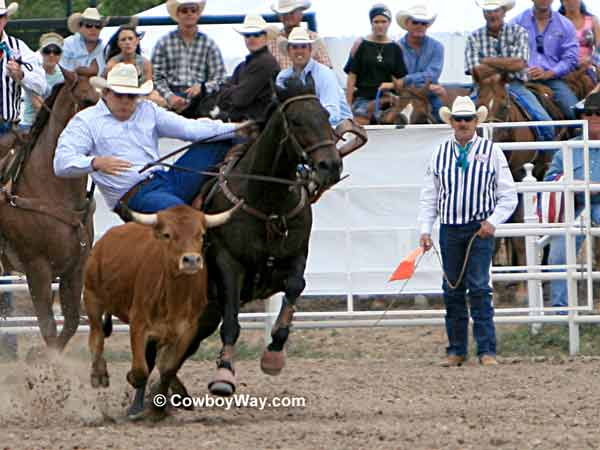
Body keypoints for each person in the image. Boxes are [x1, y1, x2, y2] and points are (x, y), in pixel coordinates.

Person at [53, 63, 250, 215]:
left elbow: (190, 128)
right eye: (119, 94)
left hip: (166, 180)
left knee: (224, 141)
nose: (125, 100)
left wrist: (237, 129)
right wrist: (95, 162)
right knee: (179, 215)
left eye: (131, 96)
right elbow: (62, 162)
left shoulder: (147, 110)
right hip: (133, 195)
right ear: (105, 93)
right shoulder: (86, 121)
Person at [418, 96, 517, 367]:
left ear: (476, 122)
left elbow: (508, 195)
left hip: (478, 228)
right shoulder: (439, 153)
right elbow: (430, 195)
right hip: (449, 228)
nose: (463, 124)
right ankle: (457, 350)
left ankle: (486, 350)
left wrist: (492, 221)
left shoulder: (492, 151)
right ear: (451, 122)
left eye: (467, 119)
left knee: (479, 288)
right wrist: (425, 229)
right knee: (452, 290)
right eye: (459, 119)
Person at [466, 0, 554, 141]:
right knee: (456, 122)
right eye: (488, 11)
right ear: (483, 13)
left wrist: (487, 60)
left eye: (496, 10)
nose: (492, 15)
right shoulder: (473, 37)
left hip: (514, 85)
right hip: (483, 87)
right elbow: (476, 70)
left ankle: (547, 160)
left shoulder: (518, 32)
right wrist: (508, 62)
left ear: (504, 11)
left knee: (546, 124)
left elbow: (520, 63)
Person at [546, 93, 600, 309]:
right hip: (576, 206)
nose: (594, 117)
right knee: (559, 252)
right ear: (582, 117)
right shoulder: (568, 147)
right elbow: (550, 177)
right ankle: (562, 311)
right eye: (589, 113)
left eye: (599, 113)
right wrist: (570, 182)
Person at [152, 0, 226, 114]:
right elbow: (156, 77)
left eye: (193, 10)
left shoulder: (209, 43)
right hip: (170, 100)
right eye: (184, 10)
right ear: (178, 14)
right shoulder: (163, 42)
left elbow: (220, 77)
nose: (189, 13)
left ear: (198, 14)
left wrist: (202, 88)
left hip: (201, 100)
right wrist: (170, 97)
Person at [512, 0, 580, 120]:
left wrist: (549, 73)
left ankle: (576, 136)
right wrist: (523, 69)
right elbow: (507, 51)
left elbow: (571, 58)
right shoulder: (516, 22)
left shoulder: (565, 25)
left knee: (574, 112)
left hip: (552, 80)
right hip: (521, 80)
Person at [344, 4, 407, 125]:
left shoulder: (396, 48)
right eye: (376, 21)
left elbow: (401, 80)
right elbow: (352, 76)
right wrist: (347, 105)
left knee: (398, 121)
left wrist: (390, 85)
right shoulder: (360, 44)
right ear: (371, 23)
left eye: (383, 21)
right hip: (363, 98)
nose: (380, 25)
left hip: (387, 98)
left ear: (389, 23)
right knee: (361, 121)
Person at [276, 27, 352, 128]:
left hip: (337, 129)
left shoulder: (325, 74)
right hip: (306, 130)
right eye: (295, 47)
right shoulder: (282, 77)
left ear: (310, 50)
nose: (299, 51)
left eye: (303, 47)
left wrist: (304, 121)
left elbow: (333, 113)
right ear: (289, 51)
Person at [216, 14, 280, 122]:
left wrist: (226, 91)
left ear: (265, 37)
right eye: (247, 35)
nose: (251, 38)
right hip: (248, 122)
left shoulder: (264, 62)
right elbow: (232, 97)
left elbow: (239, 99)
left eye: (256, 34)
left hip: (257, 125)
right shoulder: (244, 65)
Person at [396, 2, 445, 122]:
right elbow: (397, 76)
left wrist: (407, 80)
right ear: (407, 23)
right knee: (384, 116)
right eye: (415, 22)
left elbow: (433, 74)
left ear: (427, 26)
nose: (420, 26)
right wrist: (428, 85)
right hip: (404, 94)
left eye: (424, 23)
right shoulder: (395, 47)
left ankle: (443, 137)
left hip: (427, 93)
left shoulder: (437, 47)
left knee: (440, 114)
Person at [267, 0, 332, 70]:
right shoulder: (272, 41)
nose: (288, 16)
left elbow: (327, 68)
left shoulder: (314, 38)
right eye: (284, 13)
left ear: (301, 14)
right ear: (280, 17)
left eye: (292, 13)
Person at [20, 32, 65, 132]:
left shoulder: (63, 76)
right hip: (31, 124)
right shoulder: (33, 74)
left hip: (55, 123)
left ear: (61, 55)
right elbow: (38, 106)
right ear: (41, 53)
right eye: (47, 51)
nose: (51, 55)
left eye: (56, 51)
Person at [559, 0, 600, 84]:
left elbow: (599, 47)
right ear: (562, 2)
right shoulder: (556, 22)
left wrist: (591, 60)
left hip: (588, 65)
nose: (571, 2)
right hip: (564, 66)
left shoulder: (592, 20)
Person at [61, 7, 107, 74]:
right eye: (89, 25)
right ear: (80, 27)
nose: (93, 29)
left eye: (98, 26)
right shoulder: (68, 44)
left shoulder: (105, 48)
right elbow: (60, 71)